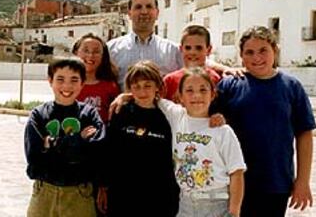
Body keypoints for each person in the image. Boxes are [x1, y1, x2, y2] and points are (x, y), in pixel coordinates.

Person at [211, 26, 316, 217]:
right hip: (231, 182)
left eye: (263, 51)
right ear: (241, 56)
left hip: (274, 182)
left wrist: (302, 181)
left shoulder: (291, 87)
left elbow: (305, 134)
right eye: (249, 52)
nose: (256, 57)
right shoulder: (230, 85)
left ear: (274, 51)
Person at [158, 67, 246, 217]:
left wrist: (234, 212)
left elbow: (236, 173)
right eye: (190, 90)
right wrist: (125, 96)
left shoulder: (223, 131)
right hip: (186, 204)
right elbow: (149, 96)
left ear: (212, 95)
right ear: (180, 96)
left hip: (217, 204)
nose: (197, 95)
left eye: (203, 90)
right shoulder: (177, 116)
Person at [107, 0, 240, 89]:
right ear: (129, 13)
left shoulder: (172, 49)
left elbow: (198, 60)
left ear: (157, 13)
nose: (144, 12)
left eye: (149, 7)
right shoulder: (111, 49)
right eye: (138, 7)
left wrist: (227, 69)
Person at [24, 57, 105, 217]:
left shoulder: (89, 115)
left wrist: (50, 146)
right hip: (44, 192)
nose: (67, 86)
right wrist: (78, 140)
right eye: (60, 79)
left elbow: (95, 153)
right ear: (50, 81)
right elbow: (35, 161)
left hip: (79, 194)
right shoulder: (39, 115)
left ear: (82, 83)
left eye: (74, 80)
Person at [98, 60, 180, 217]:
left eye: (147, 85)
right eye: (136, 86)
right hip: (123, 194)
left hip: (159, 196)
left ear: (158, 86)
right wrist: (103, 187)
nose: (142, 91)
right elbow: (109, 151)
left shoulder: (168, 116)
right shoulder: (120, 112)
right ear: (129, 88)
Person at [163, 25, 221, 102]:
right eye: (188, 48)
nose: (192, 52)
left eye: (199, 48)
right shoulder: (169, 81)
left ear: (208, 50)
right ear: (181, 49)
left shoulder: (216, 79)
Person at [73, 33, 120, 124]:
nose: (90, 55)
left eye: (96, 51)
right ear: (76, 52)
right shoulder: (66, 85)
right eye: (86, 50)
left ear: (103, 56)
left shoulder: (110, 86)